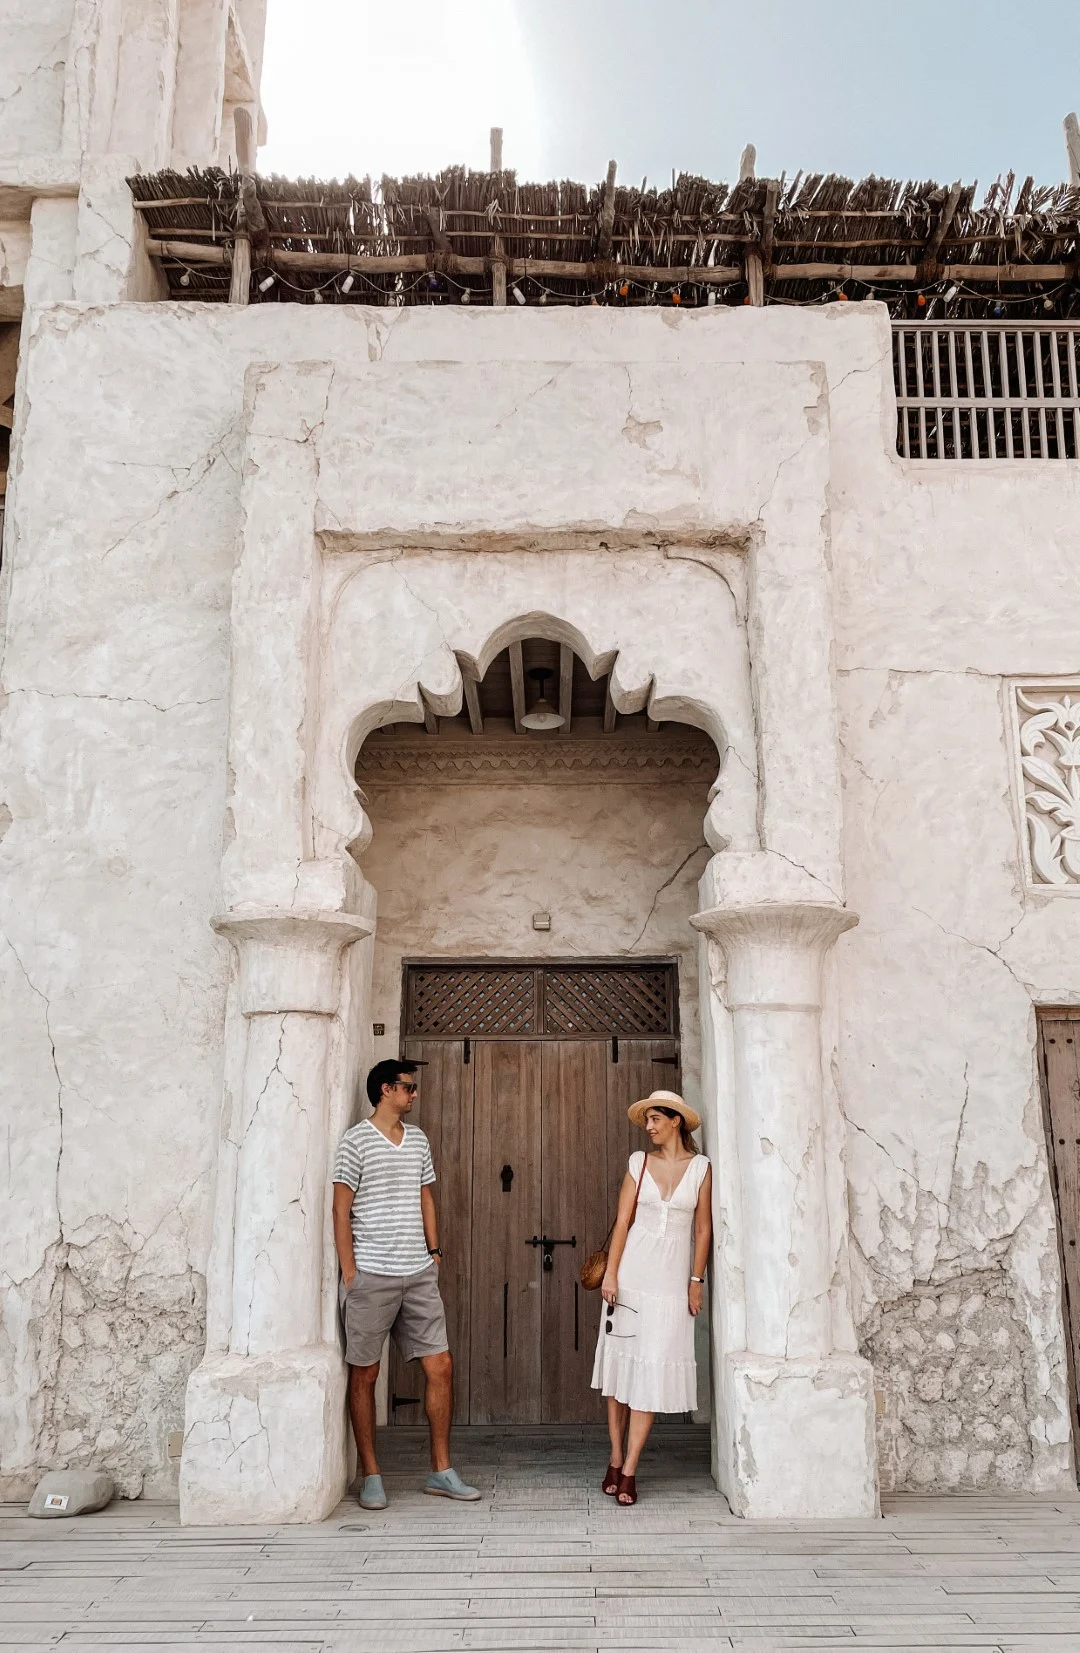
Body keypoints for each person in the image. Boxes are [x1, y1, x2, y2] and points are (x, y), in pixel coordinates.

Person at [332, 1058, 481, 1509]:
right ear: (384, 1090)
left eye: (413, 1088)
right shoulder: (355, 1142)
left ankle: (441, 1470)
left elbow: (426, 1197)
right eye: (407, 1088)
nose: (413, 1095)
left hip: (417, 1274)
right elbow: (342, 1209)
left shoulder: (417, 1140)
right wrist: (351, 1272)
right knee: (366, 1374)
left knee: (441, 1368)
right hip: (371, 1276)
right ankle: (370, 1474)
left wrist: (433, 1253)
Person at [591, 1088, 712, 1506]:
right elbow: (622, 1221)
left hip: (670, 1284)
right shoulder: (638, 1163)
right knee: (621, 1372)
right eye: (647, 1121)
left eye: (655, 1119)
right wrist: (611, 1274)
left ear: (675, 1120)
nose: (649, 1127)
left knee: (652, 1370)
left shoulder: (701, 1169)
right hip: (631, 1277)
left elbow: (702, 1230)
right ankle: (615, 1455)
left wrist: (695, 1280)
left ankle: (630, 1469)